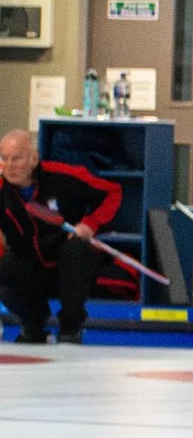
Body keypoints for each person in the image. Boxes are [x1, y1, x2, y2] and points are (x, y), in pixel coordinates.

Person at [0, 129, 117, 344]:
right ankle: (32, 324)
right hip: (30, 269)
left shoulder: (64, 176)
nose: (9, 166)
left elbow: (113, 192)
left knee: (77, 249)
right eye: (4, 158)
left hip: (68, 268)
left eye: (16, 158)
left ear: (33, 158)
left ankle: (70, 329)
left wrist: (91, 224)